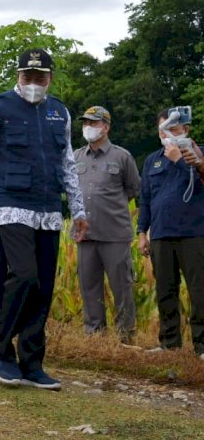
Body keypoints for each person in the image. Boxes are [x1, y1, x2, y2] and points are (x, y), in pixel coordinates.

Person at [0, 48, 88, 390]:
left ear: (50, 78)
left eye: (40, 78)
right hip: (10, 204)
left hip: (49, 209)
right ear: (18, 76)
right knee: (24, 276)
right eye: (27, 77)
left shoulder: (59, 112)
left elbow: (66, 164)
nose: (34, 83)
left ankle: (32, 362)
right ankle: (2, 351)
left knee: (44, 287)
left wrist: (78, 210)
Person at [138, 108, 204, 360]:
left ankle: (201, 345)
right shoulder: (152, 160)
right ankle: (169, 343)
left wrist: (180, 159)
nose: (167, 135)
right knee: (166, 290)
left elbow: (197, 183)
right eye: (163, 131)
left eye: (173, 129)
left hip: (194, 233)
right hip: (161, 235)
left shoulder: (197, 154)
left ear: (185, 130)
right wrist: (142, 232)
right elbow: (145, 199)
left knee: (199, 290)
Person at [73, 106, 140, 342]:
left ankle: (126, 336)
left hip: (114, 233)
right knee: (89, 287)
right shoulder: (76, 156)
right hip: (85, 234)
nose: (88, 127)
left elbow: (133, 189)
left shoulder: (122, 157)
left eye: (93, 123)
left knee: (121, 286)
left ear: (106, 127)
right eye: (86, 123)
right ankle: (95, 336)